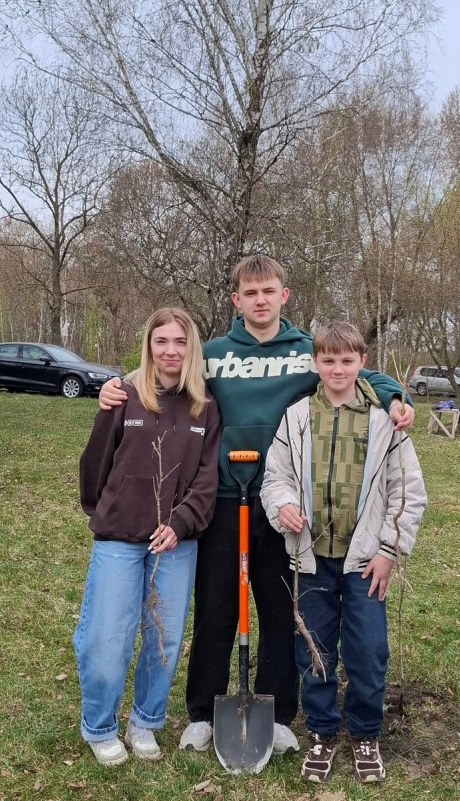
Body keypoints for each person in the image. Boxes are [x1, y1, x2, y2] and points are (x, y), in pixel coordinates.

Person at [98, 256, 414, 757]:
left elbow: (353, 369)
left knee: (279, 607)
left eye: (269, 291)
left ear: (283, 295)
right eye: (251, 292)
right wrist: (116, 383)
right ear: (236, 300)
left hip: (286, 503)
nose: (260, 300)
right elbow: (165, 365)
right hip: (224, 497)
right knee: (217, 607)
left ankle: (279, 711)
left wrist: (395, 397)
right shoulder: (217, 354)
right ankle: (203, 710)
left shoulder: (305, 352)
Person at [260, 321, 427, 782]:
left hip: (365, 560)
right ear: (315, 363)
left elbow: (407, 492)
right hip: (311, 557)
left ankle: (366, 732)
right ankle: (321, 730)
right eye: (328, 360)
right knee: (313, 649)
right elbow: (274, 478)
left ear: (362, 363)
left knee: (368, 649)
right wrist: (284, 506)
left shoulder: (384, 421)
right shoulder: (296, 418)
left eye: (347, 361)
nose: (337, 369)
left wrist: (389, 551)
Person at [74, 308, 220, 765]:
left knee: (164, 638)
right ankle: (100, 725)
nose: (171, 351)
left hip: (175, 543)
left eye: (180, 342)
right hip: (120, 537)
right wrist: (106, 510)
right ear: (150, 346)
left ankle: (145, 721)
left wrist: (179, 524)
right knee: (106, 636)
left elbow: (206, 480)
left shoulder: (206, 407)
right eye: (162, 342)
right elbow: (96, 460)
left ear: (191, 347)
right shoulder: (124, 396)